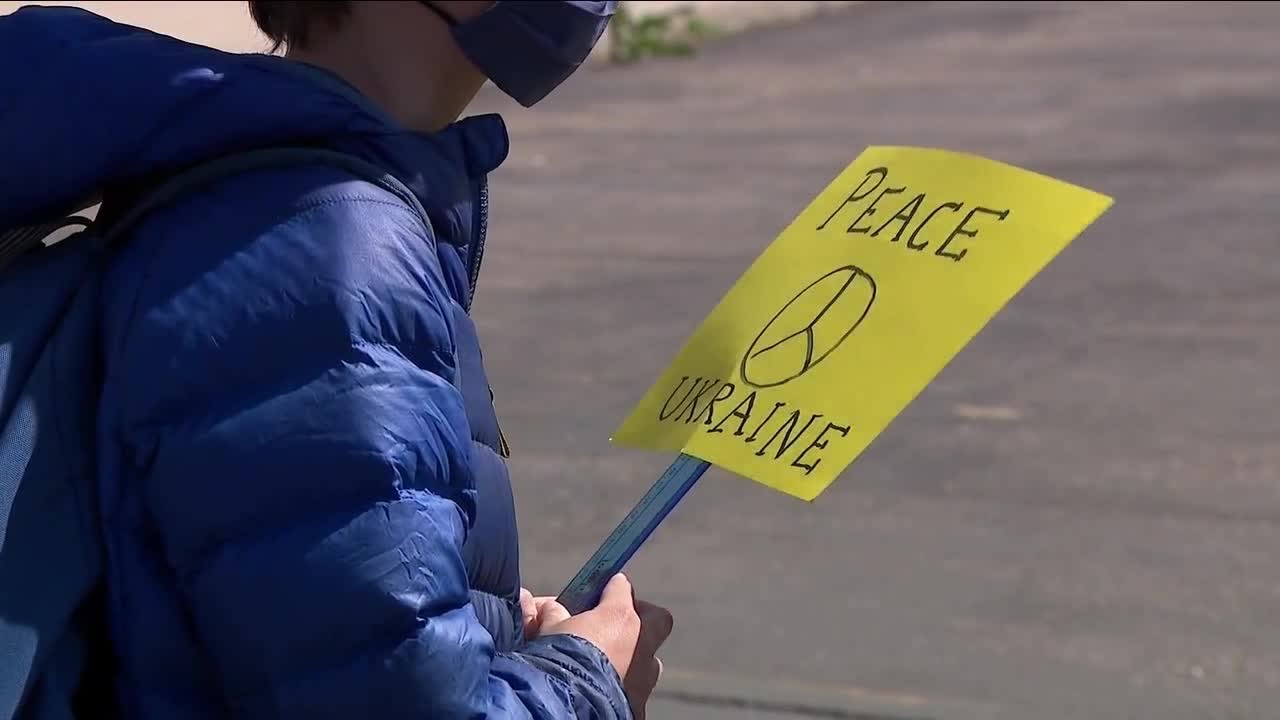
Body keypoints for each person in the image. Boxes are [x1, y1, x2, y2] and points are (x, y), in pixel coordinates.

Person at [0, 1, 671, 718]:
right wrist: (586, 684)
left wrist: (484, 635)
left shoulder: (283, 186)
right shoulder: (324, 241)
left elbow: (342, 640)